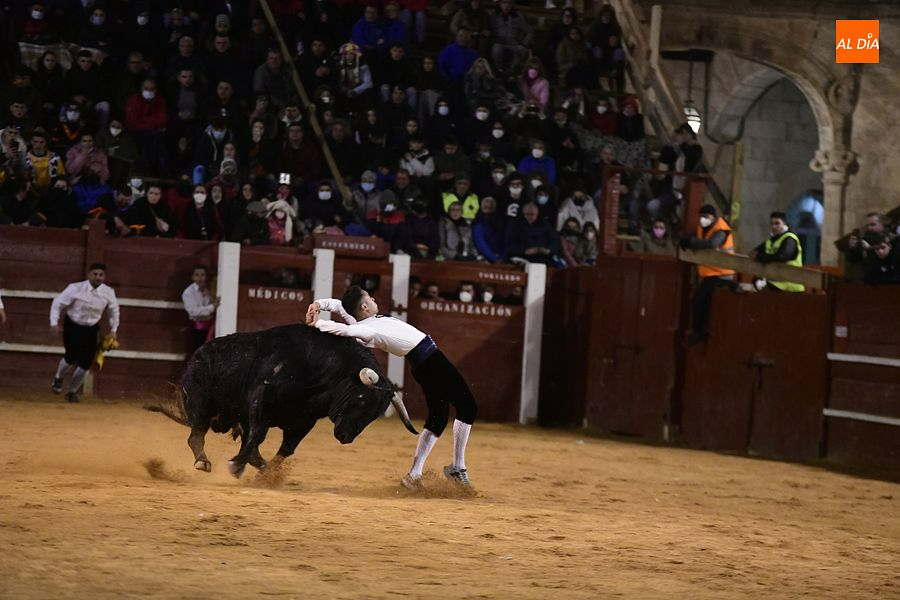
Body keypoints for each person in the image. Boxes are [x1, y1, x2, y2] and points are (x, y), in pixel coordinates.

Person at [306, 286, 477, 489]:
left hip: (424, 365)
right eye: (369, 298)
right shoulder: (367, 329)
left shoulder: (365, 321)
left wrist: (318, 304)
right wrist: (319, 323)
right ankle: (458, 467)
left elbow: (339, 307)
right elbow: (346, 330)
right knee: (468, 407)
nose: (373, 299)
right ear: (364, 307)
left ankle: (414, 475)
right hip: (432, 363)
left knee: (438, 418)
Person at [49, 263, 120, 403]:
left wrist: (114, 330)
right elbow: (58, 303)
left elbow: (114, 311)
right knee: (71, 356)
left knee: (86, 362)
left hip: (91, 328)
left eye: (101, 275)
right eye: (95, 274)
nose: (98, 277)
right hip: (72, 325)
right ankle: (58, 377)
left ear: (104, 277)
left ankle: (72, 392)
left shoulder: (109, 292)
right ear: (89, 275)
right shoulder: (75, 288)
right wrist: (53, 323)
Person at [680, 204, 736, 345]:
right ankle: (700, 330)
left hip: (722, 273)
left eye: (706, 217)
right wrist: (687, 241)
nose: (703, 219)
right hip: (711, 273)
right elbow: (694, 238)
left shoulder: (721, 229)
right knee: (702, 301)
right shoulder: (703, 228)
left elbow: (711, 244)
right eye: (701, 216)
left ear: (713, 217)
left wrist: (690, 242)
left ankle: (698, 331)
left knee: (699, 301)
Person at [750, 211, 804, 292]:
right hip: (775, 283)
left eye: (777, 223)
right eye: (772, 224)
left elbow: (783, 256)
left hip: (791, 286)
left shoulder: (790, 239)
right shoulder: (771, 241)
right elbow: (753, 253)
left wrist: (760, 257)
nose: (774, 226)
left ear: (785, 224)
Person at [181, 265, 218, 353]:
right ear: (193, 277)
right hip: (196, 329)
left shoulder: (209, 290)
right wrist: (213, 307)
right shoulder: (188, 292)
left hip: (210, 328)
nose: (200, 278)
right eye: (197, 275)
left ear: (206, 277)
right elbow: (193, 312)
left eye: (202, 275)